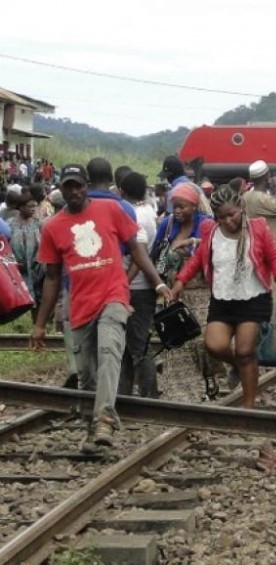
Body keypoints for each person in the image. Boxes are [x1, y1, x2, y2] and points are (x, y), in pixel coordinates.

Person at [30, 164, 172, 449]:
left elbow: (136, 249)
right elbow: (53, 278)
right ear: (61, 188)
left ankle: (105, 420)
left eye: (78, 185)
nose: (74, 192)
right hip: (81, 305)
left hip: (113, 296)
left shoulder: (111, 211)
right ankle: (92, 428)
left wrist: (158, 283)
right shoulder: (53, 227)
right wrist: (40, 323)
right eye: (68, 186)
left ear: (86, 185)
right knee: (86, 374)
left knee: (110, 351)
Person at [171, 185, 276, 470]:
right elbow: (198, 261)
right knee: (214, 345)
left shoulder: (258, 228)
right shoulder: (211, 231)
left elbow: (273, 256)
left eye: (231, 215)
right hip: (223, 299)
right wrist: (179, 282)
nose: (227, 221)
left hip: (253, 298)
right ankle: (240, 368)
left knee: (247, 350)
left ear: (242, 210)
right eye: (221, 217)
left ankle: (248, 408)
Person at [120, 172, 160, 398]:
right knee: (129, 346)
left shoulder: (132, 214)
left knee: (138, 347)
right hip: (143, 285)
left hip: (135, 286)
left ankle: (149, 395)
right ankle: (124, 394)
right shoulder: (149, 212)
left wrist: (123, 282)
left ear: (122, 192)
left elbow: (139, 253)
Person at [150, 183, 209, 285]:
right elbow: (155, 252)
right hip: (170, 288)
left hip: (198, 291)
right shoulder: (168, 224)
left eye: (182, 207)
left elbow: (213, 244)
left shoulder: (205, 224)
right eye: (175, 207)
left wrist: (190, 241)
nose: (177, 211)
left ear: (194, 206)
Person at [243, 159, 276, 261]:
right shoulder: (262, 199)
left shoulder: (246, 196)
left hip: (256, 245)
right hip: (270, 250)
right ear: (267, 176)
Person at [8, 192, 43, 319]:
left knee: (36, 298)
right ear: (21, 207)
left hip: (34, 268)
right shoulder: (11, 223)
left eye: (35, 206)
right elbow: (5, 244)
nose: (33, 209)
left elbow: (42, 245)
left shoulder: (37, 224)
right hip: (16, 268)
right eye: (30, 206)